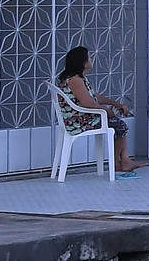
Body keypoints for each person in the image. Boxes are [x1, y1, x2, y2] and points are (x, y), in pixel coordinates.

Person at [56, 45, 138, 176]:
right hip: (78, 122)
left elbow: (96, 97)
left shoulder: (80, 78)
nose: (91, 59)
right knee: (119, 125)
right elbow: (88, 103)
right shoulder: (75, 80)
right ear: (83, 62)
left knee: (117, 123)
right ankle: (118, 162)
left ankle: (124, 160)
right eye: (89, 57)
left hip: (84, 117)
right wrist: (106, 111)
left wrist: (116, 104)